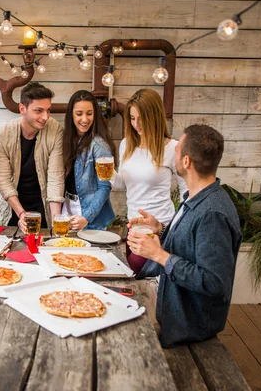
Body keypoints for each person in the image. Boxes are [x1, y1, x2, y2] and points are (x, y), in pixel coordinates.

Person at [127, 124, 242, 349]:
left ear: (187, 162)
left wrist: (159, 255)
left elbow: (214, 282)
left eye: (177, 150)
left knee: (116, 328)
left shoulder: (213, 214)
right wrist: (159, 229)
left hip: (182, 314)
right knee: (107, 296)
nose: (173, 153)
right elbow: (189, 244)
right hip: (166, 291)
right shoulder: (195, 197)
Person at [111, 88, 187, 273]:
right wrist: (107, 175)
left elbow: (188, 191)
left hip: (157, 229)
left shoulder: (172, 148)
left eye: (141, 118)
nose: (136, 124)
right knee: (138, 281)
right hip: (132, 227)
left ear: (154, 116)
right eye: (132, 117)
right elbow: (122, 184)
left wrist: (175, 227)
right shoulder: (126, 144)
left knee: (137, 278)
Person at [0, 82, 64, 230]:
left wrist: (56, 223)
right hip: (13, 206)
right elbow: (3, 181)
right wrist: (21, 213)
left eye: (48, 110)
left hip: (43, 204)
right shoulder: (2, 135)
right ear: (22, 109)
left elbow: (55, 177)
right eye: (39, 111)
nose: (45, 117)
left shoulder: (55, 130)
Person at [61, 90, 115, 231]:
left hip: (89, 214)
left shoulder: (99, 145)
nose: (84, 119)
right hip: (67, 208)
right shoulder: (65, 141)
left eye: (89, 114)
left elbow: (105, 187)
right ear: (71, 114)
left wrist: (86, 217)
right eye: (79, 114)